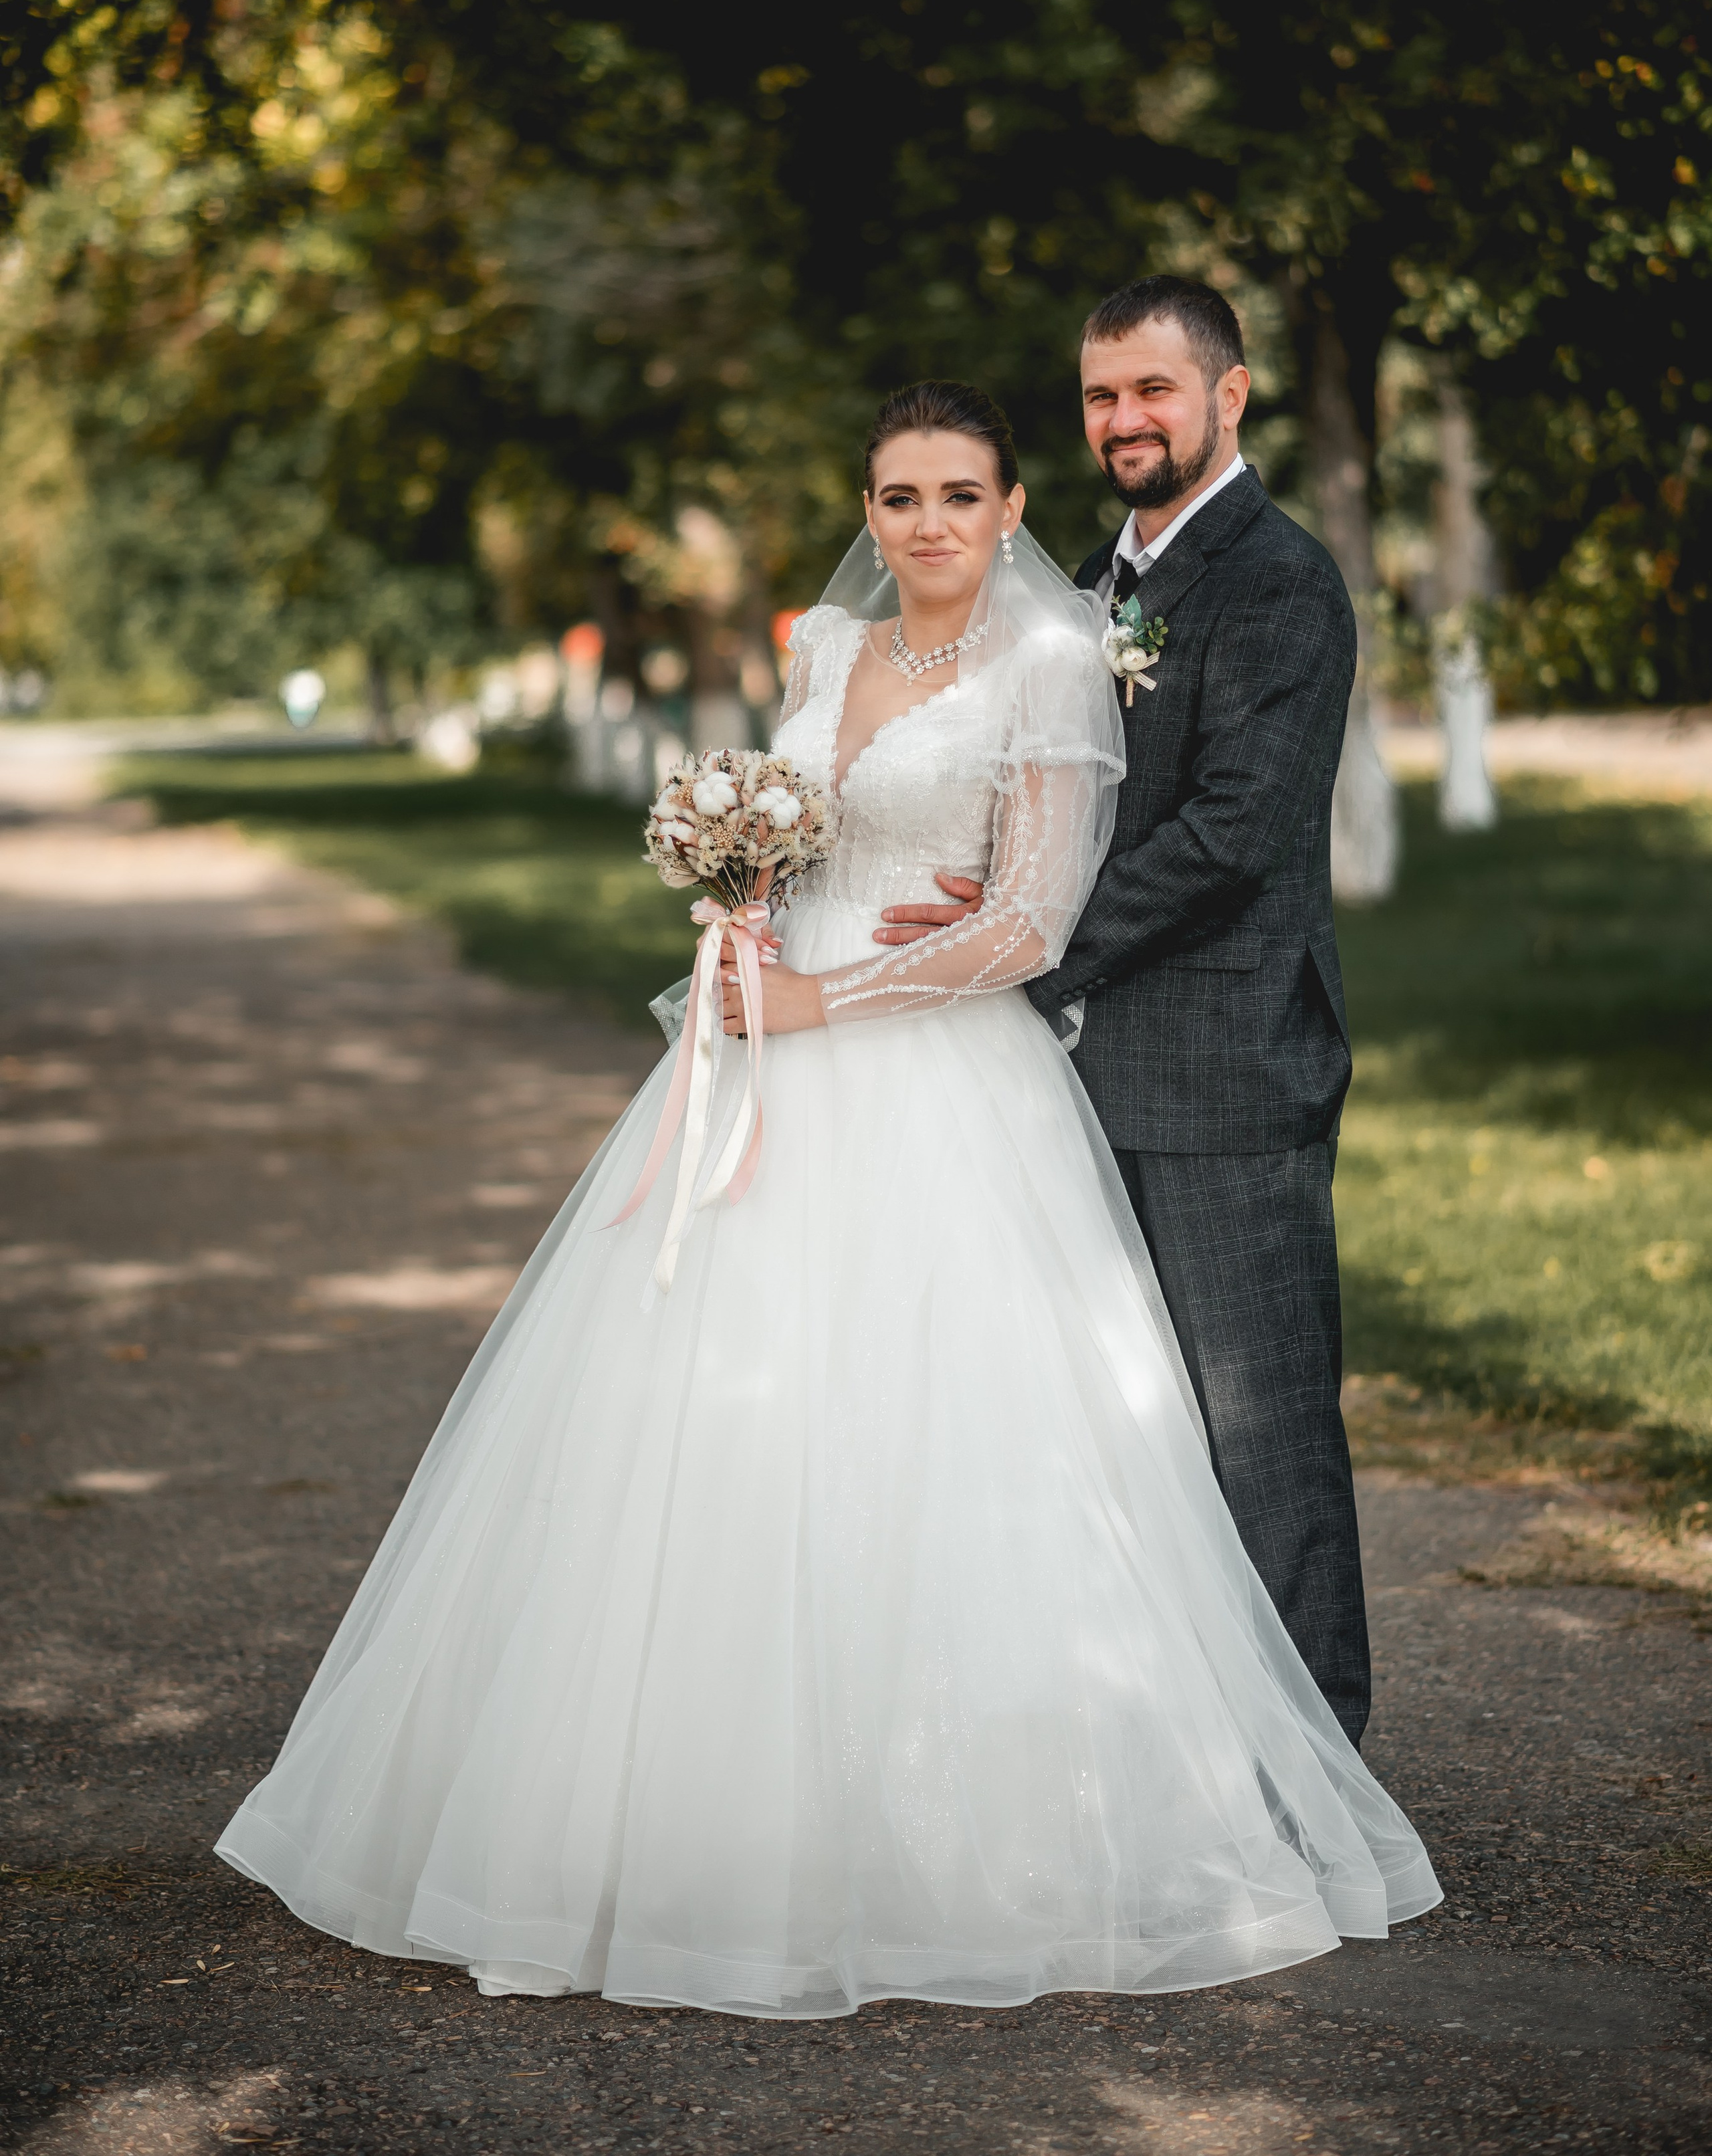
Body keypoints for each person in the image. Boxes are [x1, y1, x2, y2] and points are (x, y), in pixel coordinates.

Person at [216, 378, 1436, 2016]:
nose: (926, 524)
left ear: (1011, 510)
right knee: (695, 1418)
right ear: (866, 512)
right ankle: (684, 1808)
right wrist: (741, 910)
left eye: (958, 494)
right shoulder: (823, 651)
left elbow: (1029, 922)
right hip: (764, 1055)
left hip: (938, 1070)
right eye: (897, 496)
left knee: (941, 1422)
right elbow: (799, 850)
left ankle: (977, 1820)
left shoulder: (1053, 660)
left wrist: (823, 998)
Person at [874, 285, 1371, 1747]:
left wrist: (1013, 944)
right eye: (1102, 396)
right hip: (1066, 1087)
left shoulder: (1281, 584)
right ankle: (1176, 1762)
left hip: (1222, 1076)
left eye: (1153, 389)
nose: (1124, 419)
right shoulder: (1089, 581)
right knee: (1116, 1443)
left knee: (1261, 1443)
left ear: (1230, 394)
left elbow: (1229, 837)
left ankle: (1317, 1777)